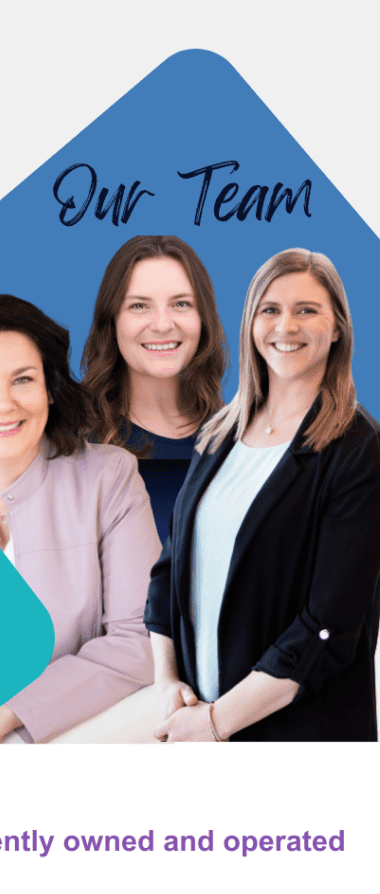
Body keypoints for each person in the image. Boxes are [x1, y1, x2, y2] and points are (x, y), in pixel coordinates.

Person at [145, 249, 380, 742]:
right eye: (270, 309)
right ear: (251, 322)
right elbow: (169, 574)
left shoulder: (358, 448)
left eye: (307, 310)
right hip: (197, 731)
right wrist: (167, 684)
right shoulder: (218, 435)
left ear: (338, 328)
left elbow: (328, 627)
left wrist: (216, 722)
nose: (285, 326)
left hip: (298, 741)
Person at [0, 294, 162, 743]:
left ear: (49, 387)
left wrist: (11, 711)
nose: (3, 404)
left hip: (76, 734)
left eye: (22, 379)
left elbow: (140, 640)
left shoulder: (108, 478)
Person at [81, 236, 227, 541]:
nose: (162, 324)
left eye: (181, 304)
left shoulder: (238, 442)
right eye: (138, 305)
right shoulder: (71, 444)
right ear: (112, 321)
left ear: (204, 319)